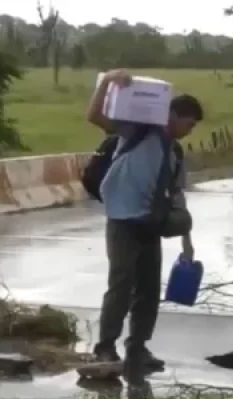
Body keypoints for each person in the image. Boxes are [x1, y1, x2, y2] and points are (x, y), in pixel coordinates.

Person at [86, 69, 203, 371]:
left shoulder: (175, 152)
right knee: (120, 286)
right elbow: (94, 116)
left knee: (148, 292)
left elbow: (177, 197)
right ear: (173, 115)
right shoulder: (137, 130)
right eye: (188, 124)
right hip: (123, 220)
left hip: (150, 224)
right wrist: (109, 80)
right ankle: (105, 348)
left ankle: (137, 349)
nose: (189, 131)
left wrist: (187, 243)